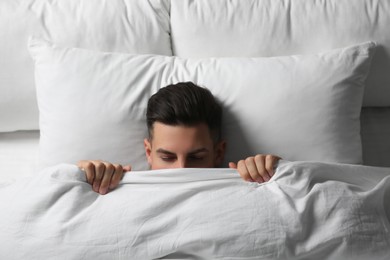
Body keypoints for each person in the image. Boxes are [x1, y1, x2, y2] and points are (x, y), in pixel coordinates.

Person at [78, 82, 281, 195]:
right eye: (167, 157)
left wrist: (274, 174)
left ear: (218, 152)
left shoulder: (249, 187)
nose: (181, 170)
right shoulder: (115, 189)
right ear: (149, 153)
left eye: (197, 157)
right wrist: (82, 177)